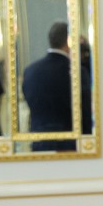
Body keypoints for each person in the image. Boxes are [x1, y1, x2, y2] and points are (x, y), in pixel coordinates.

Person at [21, 20, 92, 151]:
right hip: (71, 145)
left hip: (39, 144)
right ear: (69, 41)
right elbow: (85, 113)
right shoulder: (77, 72)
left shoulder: (30, 70)